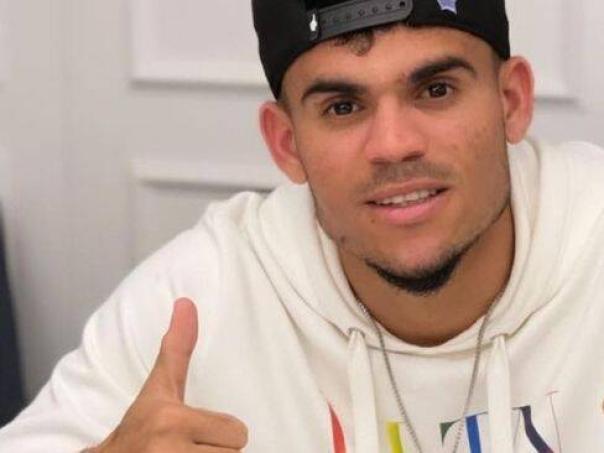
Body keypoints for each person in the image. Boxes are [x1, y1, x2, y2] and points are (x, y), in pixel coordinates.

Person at [1, 0, 604, 451]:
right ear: (286, 144)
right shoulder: (197, 300)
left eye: (436, 90)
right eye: (343, 107)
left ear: (511, 102)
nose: (393, 144)